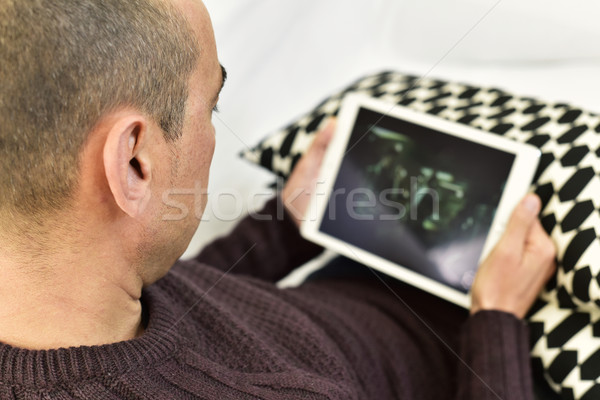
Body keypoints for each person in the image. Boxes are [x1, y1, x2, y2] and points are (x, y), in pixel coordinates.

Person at [0, 0, 556, 399]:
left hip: (337, 306)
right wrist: (498, 323)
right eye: (210, 107)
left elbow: (184, 307)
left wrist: (284, 225)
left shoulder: (79, 289)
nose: (214, 132)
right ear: (134, 162)